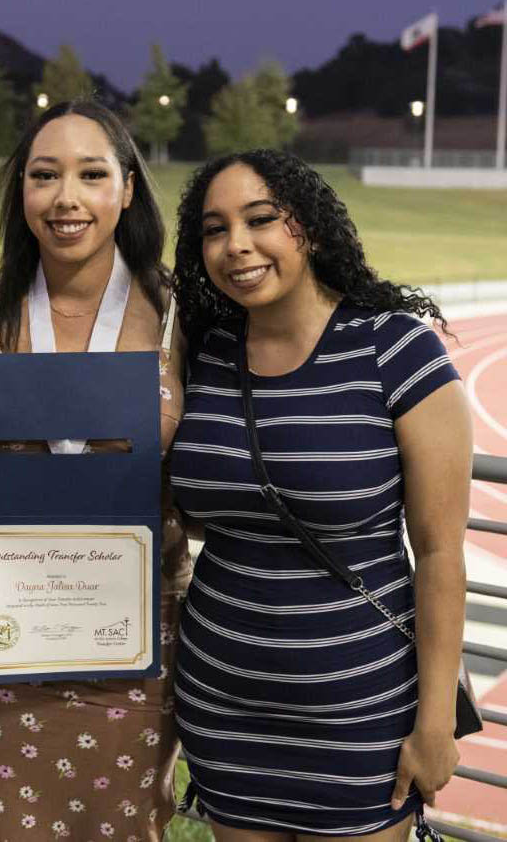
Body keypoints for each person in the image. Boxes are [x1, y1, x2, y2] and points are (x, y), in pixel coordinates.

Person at [170, 150, 472, 842]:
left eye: (260, 219)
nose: (235, 245)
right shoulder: (205, 352)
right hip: (223, 706)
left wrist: (433, 723)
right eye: (214, 229)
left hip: (359, 716)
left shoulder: (396, 349)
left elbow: (438, 552)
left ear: (305, 227)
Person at [0, 100, 192, 841]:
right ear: (22, 192)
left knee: (125, 825)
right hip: (7, 642)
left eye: (91, 174)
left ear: (126, 188)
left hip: (133, 641)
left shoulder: (179, 320)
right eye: (45, 175)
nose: (66, 197)